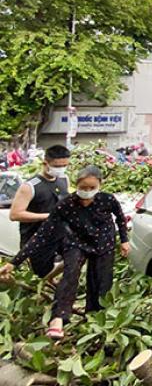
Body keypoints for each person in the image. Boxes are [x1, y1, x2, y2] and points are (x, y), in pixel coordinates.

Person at [0, 166, 130, 339]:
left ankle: (94, 319)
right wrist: (14, 262)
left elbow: (121, 219)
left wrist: (124, 240)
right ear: (76, 185)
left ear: (100, 185)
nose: (87, 192)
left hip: (103, 243)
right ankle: (58, 319)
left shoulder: (108, 200)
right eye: (83, 188)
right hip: (76, 242)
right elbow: (41, 235)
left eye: (92, 188)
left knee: (101, 281)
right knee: (70, 274)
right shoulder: (65, 205)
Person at [9, 145, 71, 277]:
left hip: (58, 236)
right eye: (57, 166)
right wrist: (47, 216)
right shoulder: (30, 186)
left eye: (64, 165)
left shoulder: (64, 180)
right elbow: (15, 214)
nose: (61, 169)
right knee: (40, 274)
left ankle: (51, 282)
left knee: (73, 258)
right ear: (45, 163)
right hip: (35, 239)